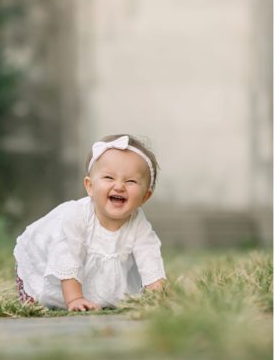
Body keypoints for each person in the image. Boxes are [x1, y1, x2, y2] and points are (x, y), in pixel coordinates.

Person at [13, 133, 165, 310]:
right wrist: (74, 299)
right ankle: (47, 295)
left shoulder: (139, 224)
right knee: (41, 300)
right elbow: (66, 257)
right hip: (50, 260)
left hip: (88, 272)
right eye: (109, 178)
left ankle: (86, 297)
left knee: (101, 297)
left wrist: (158, 297)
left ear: (145, 197)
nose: (119, 186)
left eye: (130, 181)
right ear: (90, 186)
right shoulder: (77, 216)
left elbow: (150, 259)